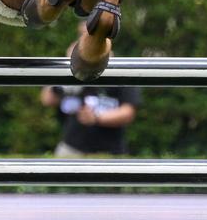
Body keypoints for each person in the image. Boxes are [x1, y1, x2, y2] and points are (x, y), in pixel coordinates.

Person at [39, 24, 141, 157]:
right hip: (71, 148)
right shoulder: (76, 69)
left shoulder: (121, 70)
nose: (86, 41)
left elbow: (128, 112)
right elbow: (47, 100)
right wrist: (69, 65)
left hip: (109, 153)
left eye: (92, 36)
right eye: (82, 36)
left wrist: (96, 118)